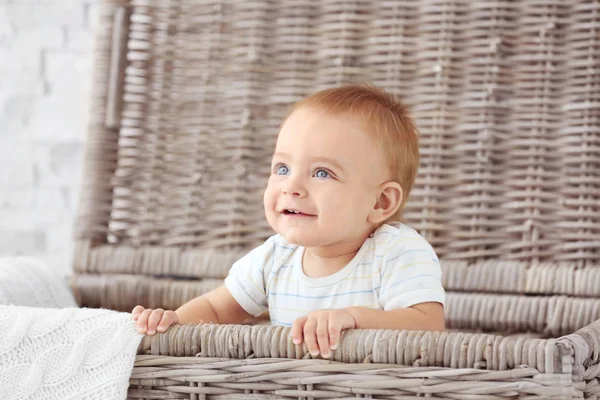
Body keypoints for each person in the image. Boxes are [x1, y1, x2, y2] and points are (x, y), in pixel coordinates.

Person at [132, 84, 445, 359]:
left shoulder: (396, 252)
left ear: (380, 202)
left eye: (322, 173)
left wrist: (352, 318)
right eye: (281, 168)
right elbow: (215, 310)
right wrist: (171, 322)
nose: (291, 186)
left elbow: (428, 324)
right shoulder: (275, 257)